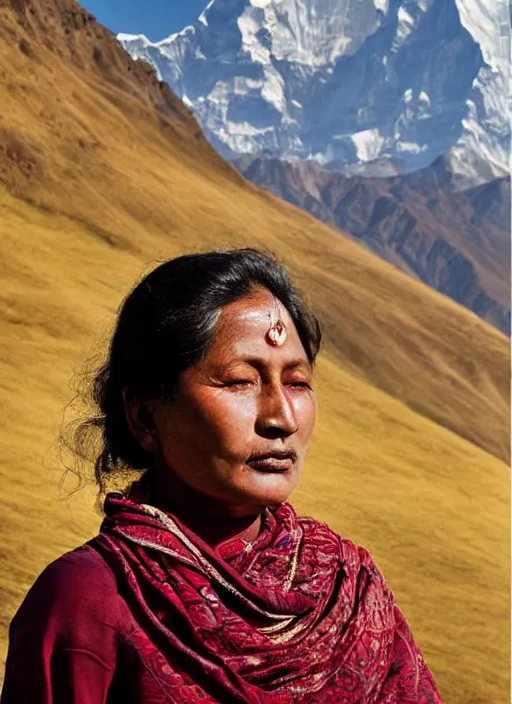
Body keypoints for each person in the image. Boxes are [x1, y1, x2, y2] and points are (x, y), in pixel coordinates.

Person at [1, 248, 443, 703]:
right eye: (239, 381)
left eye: (296, 382)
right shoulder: (90, 601)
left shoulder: (348, 586)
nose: (282, 417)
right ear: (146, 418)